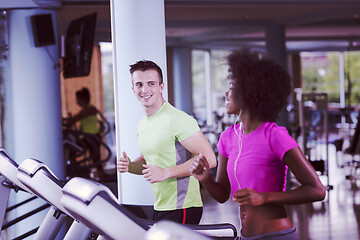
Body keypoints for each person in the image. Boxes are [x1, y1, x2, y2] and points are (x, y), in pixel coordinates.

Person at [190, 49, 326, 239]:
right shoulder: (227, 137)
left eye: (232, 88)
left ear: (250, 93)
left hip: (276, 235)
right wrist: (205, 179)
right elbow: (222, 195)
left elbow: (317, 190)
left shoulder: (275, 136)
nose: (226, 94)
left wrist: (265, 197)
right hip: (245, 236)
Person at [117, 60, 217, 224]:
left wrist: (166, 173)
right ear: (133, 89)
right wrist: (129, 166)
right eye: (139, 84)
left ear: (161, 86)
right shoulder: (143, 123)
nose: (145, 89)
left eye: (151, 83)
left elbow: (210, 159)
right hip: (161, 207)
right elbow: (150, 162)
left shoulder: (178, 119)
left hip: (183, 207)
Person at [63, 87, 107, 181]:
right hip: (88, 137)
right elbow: (81, 126)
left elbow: (75, 119)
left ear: (83, 99)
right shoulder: (85, 110)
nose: (77, 101)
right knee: (73, 151)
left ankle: (102, 179)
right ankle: (76, 171)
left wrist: (65, 121)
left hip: (92, 138)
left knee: (96, 160)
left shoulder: (90, 110)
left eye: (77, 99)